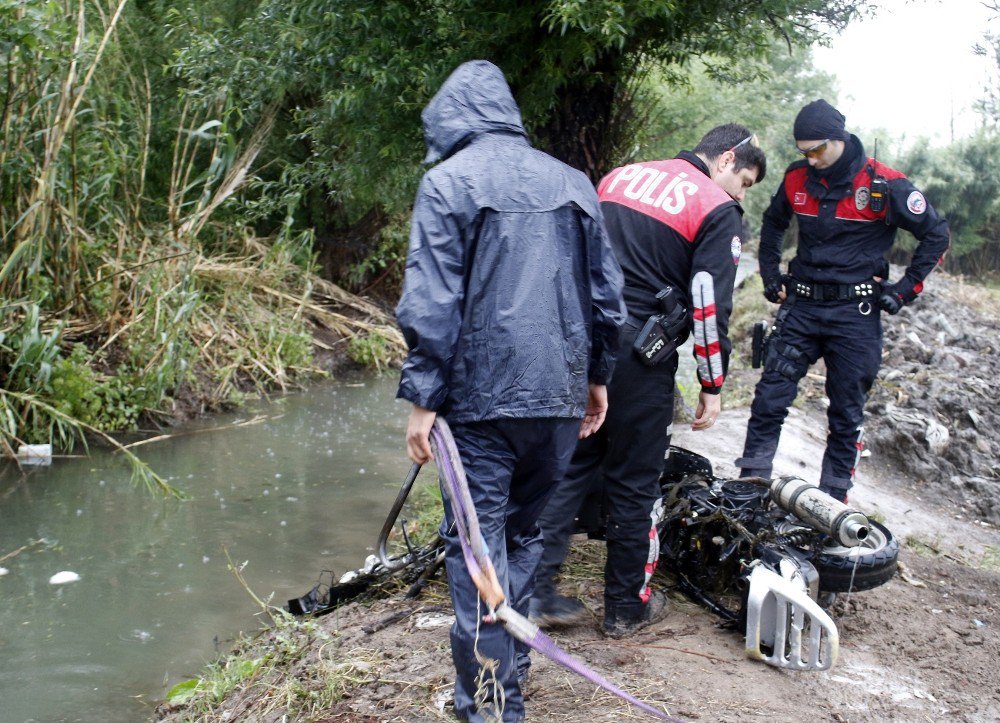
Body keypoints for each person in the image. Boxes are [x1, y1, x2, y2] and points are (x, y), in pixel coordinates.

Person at [395, 60, 626, 723]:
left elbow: (432, 302)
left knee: (477, 554)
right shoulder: (574, 182)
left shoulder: (446, 183)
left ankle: (492, 706)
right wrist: (597, 377)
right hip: (555, 401)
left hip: (478, 407)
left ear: (450, 118)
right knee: (522, 539)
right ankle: (508, 674)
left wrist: (422, 398)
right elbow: (607, 300)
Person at [529, 125, 767, 637]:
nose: (741, 194)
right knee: (636, 481)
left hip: (579, 341)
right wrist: (711, 382)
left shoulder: (619, 178)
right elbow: (707, 306)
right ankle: (625, 607)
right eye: (744, 181)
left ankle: (536, 591)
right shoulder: (714, 207)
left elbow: (573, 253)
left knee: (571, 464)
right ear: (726, 159)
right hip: (641, 354)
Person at [736, 99, 950, 502]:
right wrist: (769, 275)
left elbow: (936, 235)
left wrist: (904, 291)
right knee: (769, 398)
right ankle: (749, 487)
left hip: (856, 315)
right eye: (805, 152)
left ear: (839, 139)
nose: (812, 159)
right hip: (801, 308)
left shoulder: (885, 185)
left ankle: (832, 503)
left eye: (818, 150)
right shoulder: (797, 177)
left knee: (846, 415)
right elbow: (773, 223)